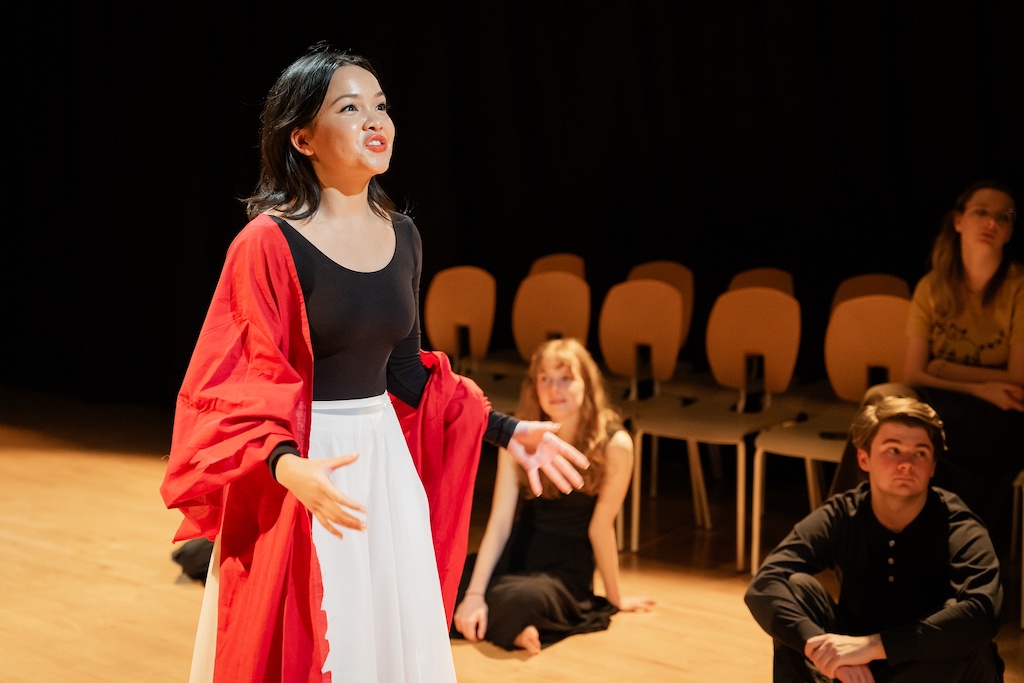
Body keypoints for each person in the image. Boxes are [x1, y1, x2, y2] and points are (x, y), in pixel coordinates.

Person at [159, 43, 591, 683]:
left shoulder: (403, 236)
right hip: (305, 466)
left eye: (381, 106)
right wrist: (287, 466)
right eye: (350, 107)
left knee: (384, 639)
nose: (375, 121)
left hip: (382, 465)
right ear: (302, 138)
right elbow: (236, 385)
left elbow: (406, 371)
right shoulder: (267, 243)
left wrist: (506, 430)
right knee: (318, 638)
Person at [746, 395, 1005, 682]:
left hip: (928, 666)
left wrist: (875, 646)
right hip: (856, 667)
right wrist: (821, 649)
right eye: (893, 450)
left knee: (959, 626)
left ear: (932, 466)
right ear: (864, 458)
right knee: (794, 588)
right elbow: (764, 584)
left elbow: (984, 610)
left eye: (920, 453)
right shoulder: (843, 513)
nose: (906, 463)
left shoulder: (957, 522)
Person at [829, 179, 1024, 553]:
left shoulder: (1018, 288)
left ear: (1010, 231)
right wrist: (976, 384)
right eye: (981, 212)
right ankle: (844, 538)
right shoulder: (933, 286)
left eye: (1003, 217)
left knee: (920, 433)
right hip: (945, 399)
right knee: (879, 401)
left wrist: (947, 370)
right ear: (958, 222)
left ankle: (922, 554)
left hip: (998, 414)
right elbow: (915, 373)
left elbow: (1016, 379)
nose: (992, 223)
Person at [451, 338, 654, 654]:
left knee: (520, 599)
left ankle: (518, 625)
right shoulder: (521, 435)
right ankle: (511, 625)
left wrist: (615, 598)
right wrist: (475, 593)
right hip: (519, 549)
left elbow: (600, 529)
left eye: (565, 378)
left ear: (587, 383)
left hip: (565, 565)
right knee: (445, 584)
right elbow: (501, 522)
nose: (554, 389)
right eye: (545, 379)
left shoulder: (615, 445)